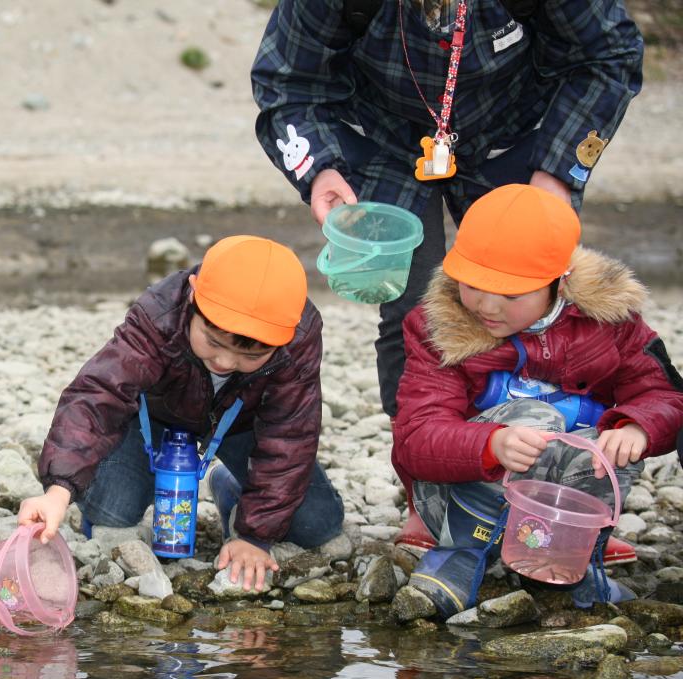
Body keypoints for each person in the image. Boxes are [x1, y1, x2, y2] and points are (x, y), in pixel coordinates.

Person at [251, 0, 644, 554]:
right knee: (412, 306)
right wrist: (320, 168)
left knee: (530, 295)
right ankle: (429, 492)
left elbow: (610, 55)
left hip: (519, 130)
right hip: (383, 137)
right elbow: (286, 80)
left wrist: (559, 171)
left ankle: (570, 495)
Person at [392, 184, 683, 616]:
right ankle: (461, 556)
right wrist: (490, 444)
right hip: (457, 500)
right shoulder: (437, 327)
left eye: (511, 295)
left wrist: (638, 425)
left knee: (609, 449)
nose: (487, 306)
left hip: (558, 508)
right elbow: (415, 438)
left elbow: (662, 392)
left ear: (559, 284)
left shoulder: (611, 320)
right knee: (536, 418)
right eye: (473, 285)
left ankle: (570, 560)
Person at [19, 236, 344, 592]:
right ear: (193, 296)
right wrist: (59, 489)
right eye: (213, 342)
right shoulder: (160, 312)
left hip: (241, 427)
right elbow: (98, 395)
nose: (224, 362)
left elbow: (290, 435)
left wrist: (255, 535)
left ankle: (229, 488)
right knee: (113, 512)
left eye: (250, 357)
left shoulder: (299, 334)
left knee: (317, 525)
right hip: (154, 421)